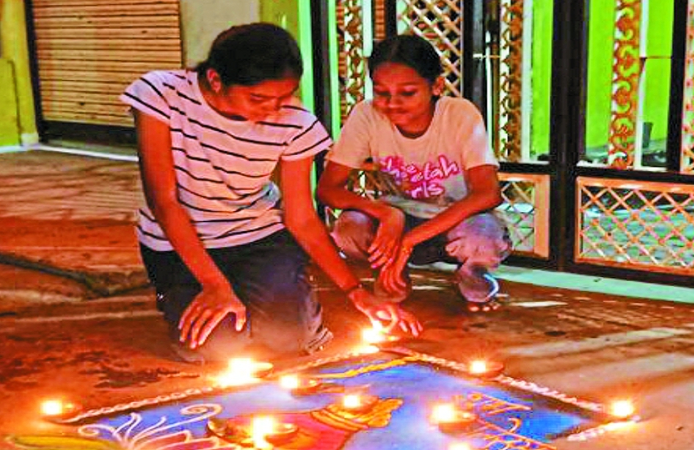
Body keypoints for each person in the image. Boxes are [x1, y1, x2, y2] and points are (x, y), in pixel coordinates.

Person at [121, 22, 421, 363]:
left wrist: (357, 293)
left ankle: (266, 293)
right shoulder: (161, 95)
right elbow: (165, 200)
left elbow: (301, 218)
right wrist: (214, 285)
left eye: (284, 97)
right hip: (177, 244)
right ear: (217, 80)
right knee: (219, 346)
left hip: (257, 238)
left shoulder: (296, 123)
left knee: (289, 337)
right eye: (258, 98)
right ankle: (181, 295)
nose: (272, 111)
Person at [316, 34, 512, 312]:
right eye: (382, 92)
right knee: (349, 227)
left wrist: (408, 242)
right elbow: (327, 189)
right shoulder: (366, 115)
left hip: (456, 223)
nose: (392, 103)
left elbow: (487, 193)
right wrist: (387, 214)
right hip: (398, 221)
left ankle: (473, 276)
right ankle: (393, 278)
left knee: (481, 235)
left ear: (436, 86)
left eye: (407, 93)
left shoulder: (459, 115)